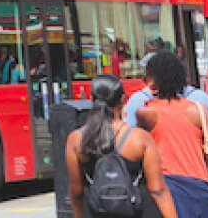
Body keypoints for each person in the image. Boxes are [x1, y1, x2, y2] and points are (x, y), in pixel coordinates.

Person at [65, 74, 177, 218]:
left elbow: (77, 191)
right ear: (123, 100)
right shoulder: (139, 138)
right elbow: (158, 190)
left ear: (92, 100)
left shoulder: (76, 139)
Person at [136, 51, 208, 218]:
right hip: (201, 191)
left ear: (152, 80)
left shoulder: (146, 113)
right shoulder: (199, 110)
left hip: (167, 191)